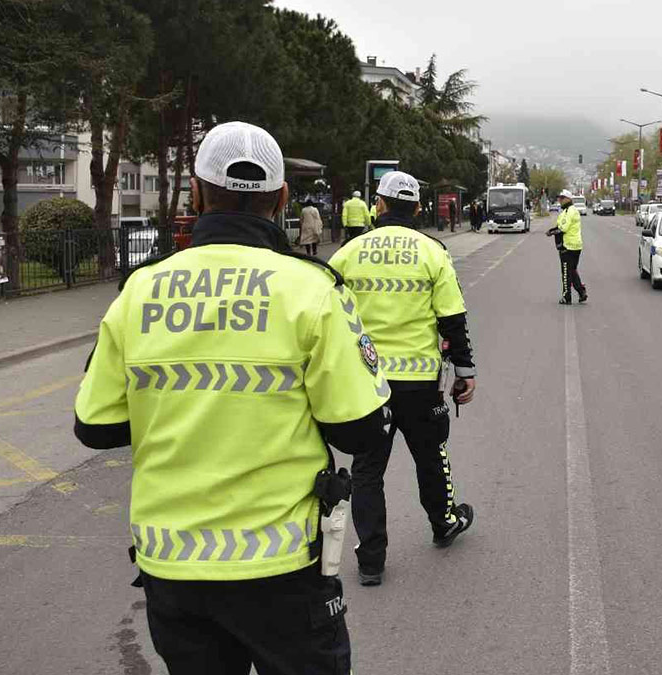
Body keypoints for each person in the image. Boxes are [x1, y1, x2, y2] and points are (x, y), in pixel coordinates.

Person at [74, 121, 391, 674]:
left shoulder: (141, 289)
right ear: (282, 197)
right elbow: (360, 431)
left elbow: (95, 427)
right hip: (281, 565)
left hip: (172, 566)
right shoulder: (311, 288)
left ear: (196, 194)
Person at [328, 170, 477, 587]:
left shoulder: (348, 252)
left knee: (367, 470)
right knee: (431, 456)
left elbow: (327, 314)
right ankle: (444, 523)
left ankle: (371, 560)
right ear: (416, 208)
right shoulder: (433, 251)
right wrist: (464, 371)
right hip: (419, 381)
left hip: (368, 382)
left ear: (377, 205)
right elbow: (452, 317)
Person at [545, 189, 587, 305]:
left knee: (565, 273)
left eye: (562, 198)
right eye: (559, 198)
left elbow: (563, 228)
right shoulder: (570, 210)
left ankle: (566, 297)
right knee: (572, 271)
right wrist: (553, 230)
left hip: (567, 247)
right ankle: (581, 292)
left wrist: (551, 232)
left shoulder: (569, 211)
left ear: (568, 199)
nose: (560, 200)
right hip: (576, 246)